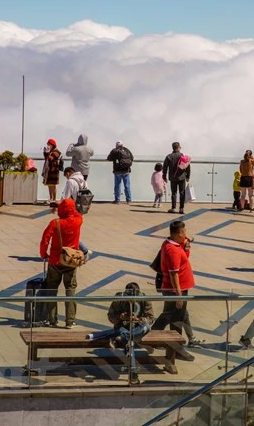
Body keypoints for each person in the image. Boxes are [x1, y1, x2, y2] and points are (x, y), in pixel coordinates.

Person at [152, 220, 203, 369]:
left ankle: (177, 344)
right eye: (185, 232)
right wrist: (179, 294)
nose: (186, 234)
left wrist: (186, 248)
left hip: (178, 289)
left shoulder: (173, 245)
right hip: (176, 289)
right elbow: (173, 273)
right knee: (172, 317)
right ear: (179, 233)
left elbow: (183, 261)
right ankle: (168, 344)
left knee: (180, 316)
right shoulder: (172, 250)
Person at [39, 197, 82, 329]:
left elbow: (45, 239)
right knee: (70, 288)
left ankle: (52, 319)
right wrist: (67, 208)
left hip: (55, 260)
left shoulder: (55, 223)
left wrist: (43, 254)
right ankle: (70, 321)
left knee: (52, 289)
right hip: (71, 260)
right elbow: (76, 213)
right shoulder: (78, 220)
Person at [86, 281, 154, 349]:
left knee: (147, 327)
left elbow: (150, 318)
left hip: (138, 327)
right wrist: (120, 317)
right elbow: (110, 316)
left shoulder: (144, 300)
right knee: (124, 332)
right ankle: (125, 339)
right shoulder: (119, 299)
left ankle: (120, 339)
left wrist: (138, 319)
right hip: (122, 327)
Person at [162, 142, 191, 215]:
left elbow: (165, 167)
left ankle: (173, 208)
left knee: (174, 193)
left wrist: (164, 176)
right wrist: (188, 176)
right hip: (182, 177)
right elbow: (188, 167)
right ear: (179, 148)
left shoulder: (169, 156)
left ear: (173, 148)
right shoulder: (183, 156)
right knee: (182, 192)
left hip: (173, 177)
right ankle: (181, 208)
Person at [42, 139, 62, 203]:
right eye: (47, 144)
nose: (48, 146)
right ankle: (51, 198)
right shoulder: (50, 151)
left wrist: (47, 153)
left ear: (53, 145)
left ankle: (54, 199)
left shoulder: (56, 152)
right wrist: (45, 152)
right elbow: (46, 158)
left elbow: (51, 159)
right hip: (49, 170)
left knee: (53, 185)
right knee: (49, 185)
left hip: (54, 170)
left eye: (49, 145)